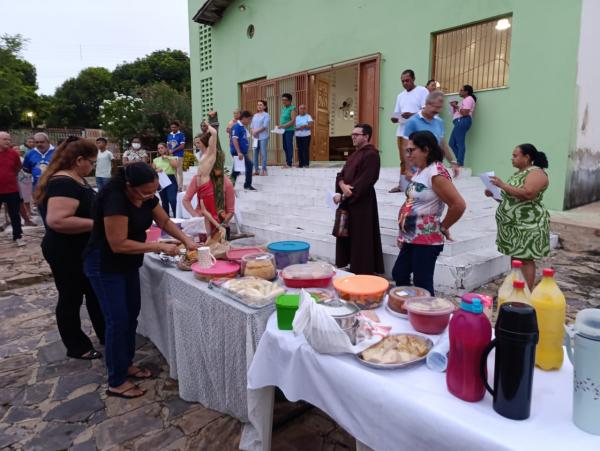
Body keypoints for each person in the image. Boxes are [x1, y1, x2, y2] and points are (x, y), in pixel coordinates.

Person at [84, 162, 196, 398]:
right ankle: (115, 380)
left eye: (153, 191)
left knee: (131, 314)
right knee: (117, 321)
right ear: (129, 186)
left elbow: (164, 222)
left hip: (128, 263)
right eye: (145, 192)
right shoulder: (115, 199)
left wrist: (187, 240)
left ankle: (126, 364)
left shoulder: (147, 196)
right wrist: (158, 246)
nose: (149, 196)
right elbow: (118, 244)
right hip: (104, 264)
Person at [33, 136, 105, 359]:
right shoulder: (63, 183)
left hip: (81, 249)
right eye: (91, 162)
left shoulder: (74, 179)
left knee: (94, 294)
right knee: (70, 297)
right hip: (66, 250)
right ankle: (77, 346)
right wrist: (99, 225)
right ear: (79, 159)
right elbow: (58, 220)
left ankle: (105, 334)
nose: (92, 167)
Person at [393, 131, 466, 295]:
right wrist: (402, 233)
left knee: (422, 284)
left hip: (426, 240)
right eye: (407, 150)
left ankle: (425, 315)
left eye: (411, 150)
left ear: (425, 150)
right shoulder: (421, 171)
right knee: (400, 273)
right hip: (411, 236)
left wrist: (443, 226)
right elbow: (411, 202)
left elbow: (458, 205)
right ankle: (406, 309)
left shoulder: (436, 173)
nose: (408, 154)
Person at [489, 144, 550, 290]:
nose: (512, 159)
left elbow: (528, 194)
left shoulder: (536, 173)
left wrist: (503, 185)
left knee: (526, 259)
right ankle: (517, 288)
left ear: (527, 157)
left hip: (527, 224)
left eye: (515, 156)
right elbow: (512, 198)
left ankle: (526, 293)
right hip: (513, 226)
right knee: (516, 258)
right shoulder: (520, 173)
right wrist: (494, 194)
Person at [333, 124, 384, 275]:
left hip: (362, 203)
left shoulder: (371, 155)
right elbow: (340, 174)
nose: (353, 137)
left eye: (357, 134)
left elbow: (366, 180)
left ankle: (362, 271)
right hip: (348, 201)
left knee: (361, 237)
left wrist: (347, 193)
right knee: (348, 236)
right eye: (352, 134)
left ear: (366, 136)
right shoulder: (354, 154)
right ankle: (350, 265)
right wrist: (341, 186)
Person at [402, 91, 460, 178]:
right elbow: (405, 147)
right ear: (427, 104)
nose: (438, 110)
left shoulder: (439, 122)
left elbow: (442, 144)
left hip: (435, 170)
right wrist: (408, 169)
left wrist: (452, 162)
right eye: (436, 107)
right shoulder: (412, 122)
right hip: (417, 171)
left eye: (440, 107)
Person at [389, 70, 429, 193]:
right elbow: (396, 113)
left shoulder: (422, 91)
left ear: (413, 79)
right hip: (402, 132)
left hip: (417, 132)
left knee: (419, 159)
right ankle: (403, 186)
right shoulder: (400, 96)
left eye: (407, 80)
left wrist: (411, 115)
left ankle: (421, 185)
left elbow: (426, 110)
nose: (405, 83)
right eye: (402, 81)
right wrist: (394, 118)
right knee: (403, 160)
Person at [0, 132, 25, 246]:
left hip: (11, 189)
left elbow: (17, 168)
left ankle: (18, 236)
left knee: (15, 214)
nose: (8, 141)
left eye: (9, 139)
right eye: (5, 139)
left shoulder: (13, 154)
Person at [449, 85, 477, 166]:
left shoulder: (469, 99)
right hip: (459, 121)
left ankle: (460, 162)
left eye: (461, 90)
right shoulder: (465, 100)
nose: (459, 91)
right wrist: (455, 107)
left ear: (466, 92)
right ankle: (459, 161)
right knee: (451, 143)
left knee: (460, 143)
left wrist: (456, 106)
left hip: (462, 121)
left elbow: (465, 113)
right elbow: (459, 112)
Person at [231, 110, 256, 191]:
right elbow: (234, 139)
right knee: (249, 165)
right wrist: (238, 152)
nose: (250, 121)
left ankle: (230, 186)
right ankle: (247, 185)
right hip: (238, 152)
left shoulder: (242, 127)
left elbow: (245, 139)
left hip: (242, 152)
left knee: (236, 170)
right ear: (244, 118)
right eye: (249, 119)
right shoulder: (237, 126)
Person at [152, 143, 178, 217]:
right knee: (164, 201)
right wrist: (156, 170)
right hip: (161, 180)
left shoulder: (172, 158)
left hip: (170, 179)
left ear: (166, 148)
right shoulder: (156, 160)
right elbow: (152, 171)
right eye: (159, 148)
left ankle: (176, 216)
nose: (160, 149)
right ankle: (166, 218)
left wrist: (168, 157)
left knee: (172, 199)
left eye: (162, 148)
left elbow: (176, 166)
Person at [250, 100, 270, 176]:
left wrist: (256, 132)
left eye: (261, 105)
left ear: (264, 106)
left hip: (263, 137)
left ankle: (264, 170)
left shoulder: (266, 115)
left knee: (263, 153)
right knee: (255, 154)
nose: (259, 106)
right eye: (258, 105)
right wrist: (253, 132)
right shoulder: (255, 115)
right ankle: (256, 170)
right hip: (255, 138)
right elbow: (251, 126)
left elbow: (265, 126)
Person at [278, 93, 297, 167]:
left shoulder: (292, 108)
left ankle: (289, 163)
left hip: (289, 130)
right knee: (285, 146)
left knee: (289, 146)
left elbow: (293, 121)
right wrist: (280, 126)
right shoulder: (284, 109)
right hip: (284, 130)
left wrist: (283, 126)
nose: (283, 102)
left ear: (290, 101)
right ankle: (287, 162)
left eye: (285, 100)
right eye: (282, 100)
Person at [167, 121, 186, 191]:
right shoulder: (169, 135)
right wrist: (169, 150)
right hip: (171, 156)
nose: (173, 128)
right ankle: (175, 186)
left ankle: (180, 187)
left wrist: (173, 150)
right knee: (173, 172)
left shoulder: (181, 134)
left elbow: (182, 146)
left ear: (178, 127)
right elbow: (168, 144)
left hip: (179, 155)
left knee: (179, 171)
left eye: (174, 127)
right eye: (172, 127)